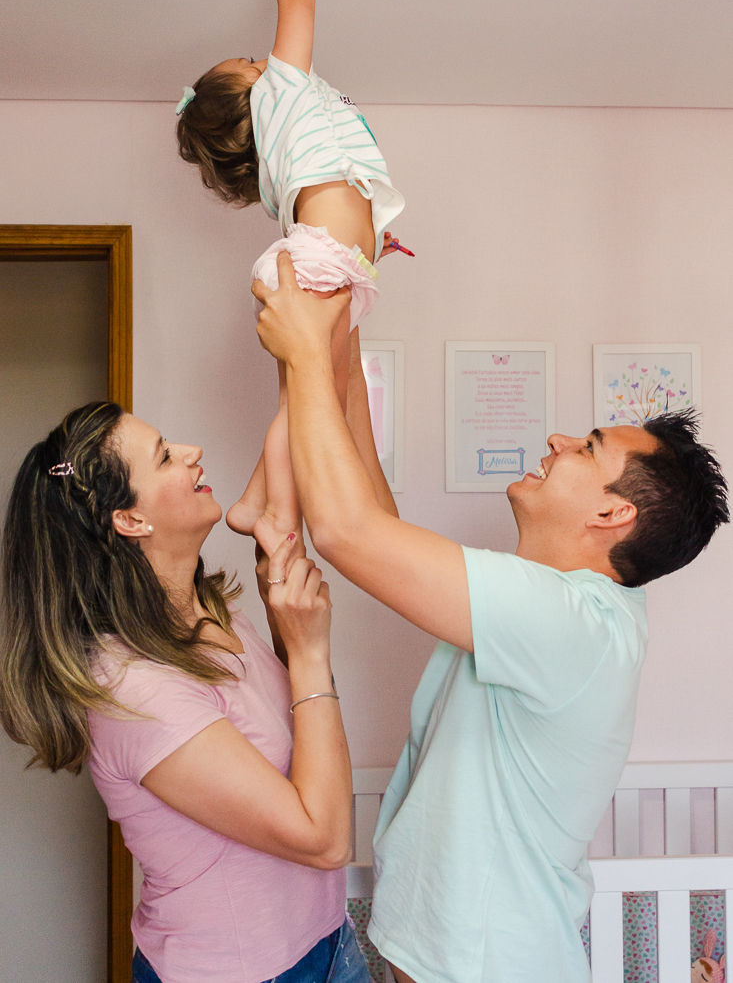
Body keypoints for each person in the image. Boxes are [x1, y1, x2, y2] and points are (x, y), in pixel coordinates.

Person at [251, 254, 730, 983]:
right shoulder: (551, 605)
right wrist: (338, 330)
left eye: (586, 448)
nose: (556, 442)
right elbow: (375, 520)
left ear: (611, 513)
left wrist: (305, 354)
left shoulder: (573, 622)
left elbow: (347, 533)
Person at [0, 400, 374, 983]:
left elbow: (300, 411)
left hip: (327, 943)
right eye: (166, 456)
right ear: (130, 520)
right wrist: (308, 651)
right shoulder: (135, 690)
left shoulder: (212, 615)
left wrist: (322, 331)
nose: (192, 452)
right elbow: (323, 840)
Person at [175, 0, 406, 557]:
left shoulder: (285, 141)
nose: (265, 57)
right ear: (253, 90)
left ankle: (263, 503)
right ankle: (268, 507)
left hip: (319, 259)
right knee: (317, 393)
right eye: (251, 60)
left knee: (313, 393)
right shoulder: (285, 90)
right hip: (319, 259)